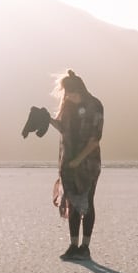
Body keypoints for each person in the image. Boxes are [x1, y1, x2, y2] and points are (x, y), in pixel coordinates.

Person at [52, 69, 103, 260]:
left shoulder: (94, 106)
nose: (66, 97)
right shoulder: (69, 106)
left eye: (69, 93)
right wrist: (46, 119)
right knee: (72, 203)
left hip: (88, 163)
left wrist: (77, 161)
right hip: (68, 162)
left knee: (87, 202)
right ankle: (73, 245)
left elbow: (94, 140)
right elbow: (63, 128)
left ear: (78, 91)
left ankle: (85, 247)